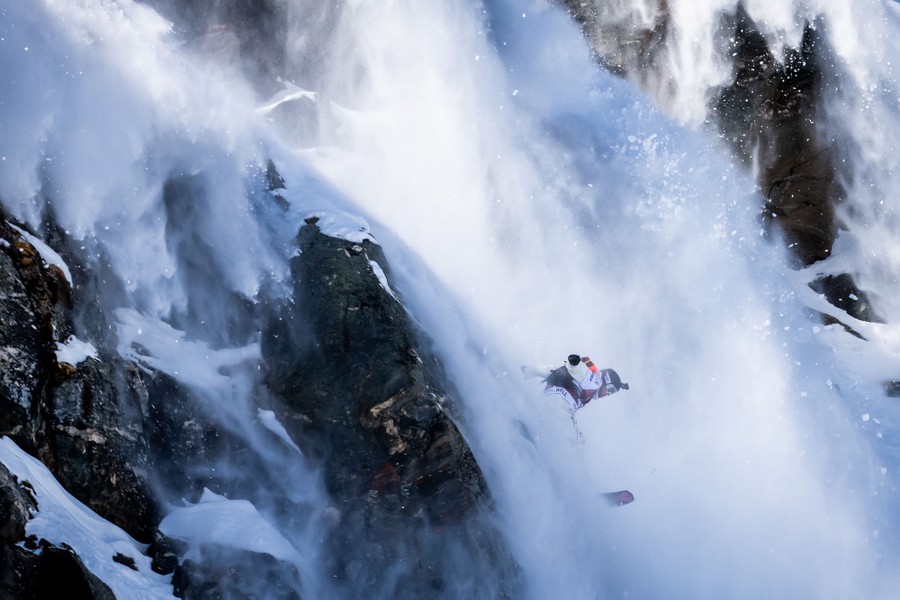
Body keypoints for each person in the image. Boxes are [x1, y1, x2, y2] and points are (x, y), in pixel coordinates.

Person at [543, 354, 629, 412]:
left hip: (555, 392)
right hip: (555, 391)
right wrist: (575, 362)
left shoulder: (592, 388)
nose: (607, 393)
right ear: (605, 381)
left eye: (612, 392)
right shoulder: (594, 381)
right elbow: (580, 370)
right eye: (610, 389)